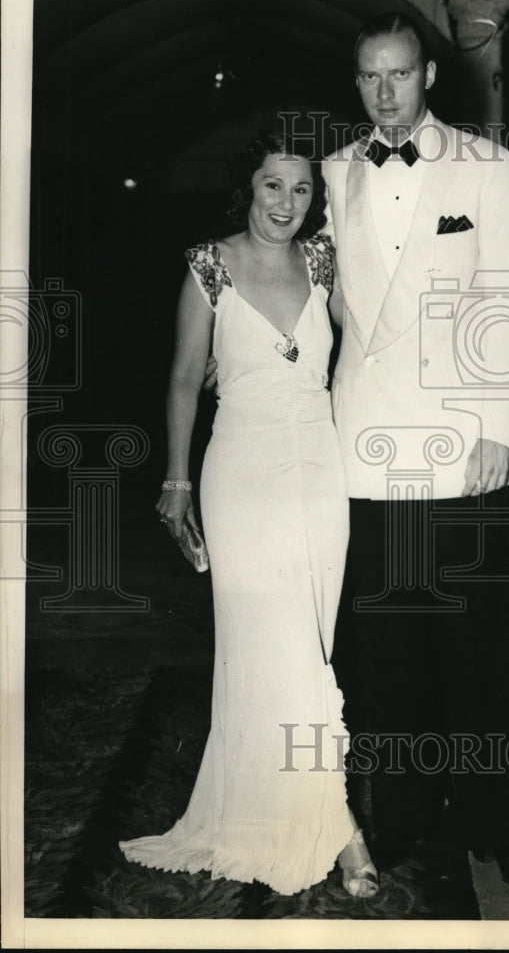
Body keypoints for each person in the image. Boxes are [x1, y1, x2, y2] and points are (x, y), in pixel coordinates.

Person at [322, 12, 509, 888]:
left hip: (462, 446)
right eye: (370, 77)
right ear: (358, 81)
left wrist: (500, 426)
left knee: (485, 654)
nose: (385, 93)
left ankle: (502, 825)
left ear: (429, 77)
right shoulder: (335, 174)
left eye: (400, 75)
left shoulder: (489, 168)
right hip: (367, 450)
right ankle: (411, 821)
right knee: (392, 654)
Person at [119, 133, 378, 899]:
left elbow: (365, 349)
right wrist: (175, 482)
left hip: (319, 469)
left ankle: (296, 808)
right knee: (276, 646)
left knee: (310, 644)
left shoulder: (324, 262)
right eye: (273, 187)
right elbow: (180, 380)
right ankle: (343, 831)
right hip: (239, 471)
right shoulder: (208, 264)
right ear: (249, 188)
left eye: (300, 191)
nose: (285, 205)